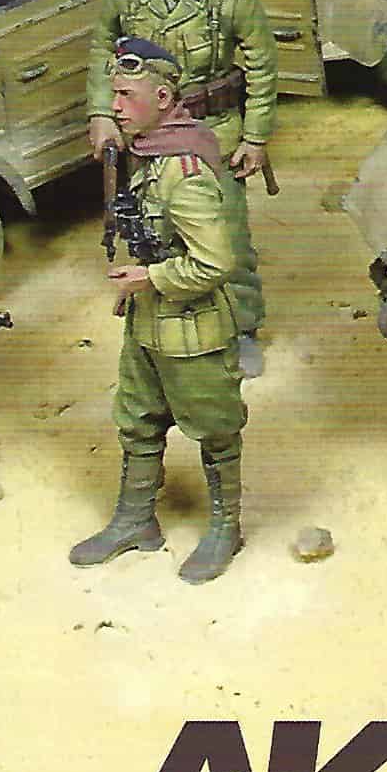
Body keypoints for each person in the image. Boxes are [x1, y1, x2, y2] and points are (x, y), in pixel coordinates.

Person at [69, 39, 247, 584]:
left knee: (215, 429)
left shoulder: (185, 172)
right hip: (148, 321)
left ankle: (226, 526)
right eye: (114, 94)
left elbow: (215, 262)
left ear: (164, 98)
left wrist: (150, 278)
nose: (115, 106)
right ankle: (135, 519)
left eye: (127, 95)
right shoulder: (150, 154)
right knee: (137, 419)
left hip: (194, 331)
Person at [85, 0, 278, 371]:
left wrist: (255, 137)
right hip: (147, 136)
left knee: (227, 235)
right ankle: (157, 323)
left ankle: (242, 327)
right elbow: (102, 46)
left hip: (213, 131)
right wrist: (102, 113)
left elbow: (261, 62)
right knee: (152, 227)